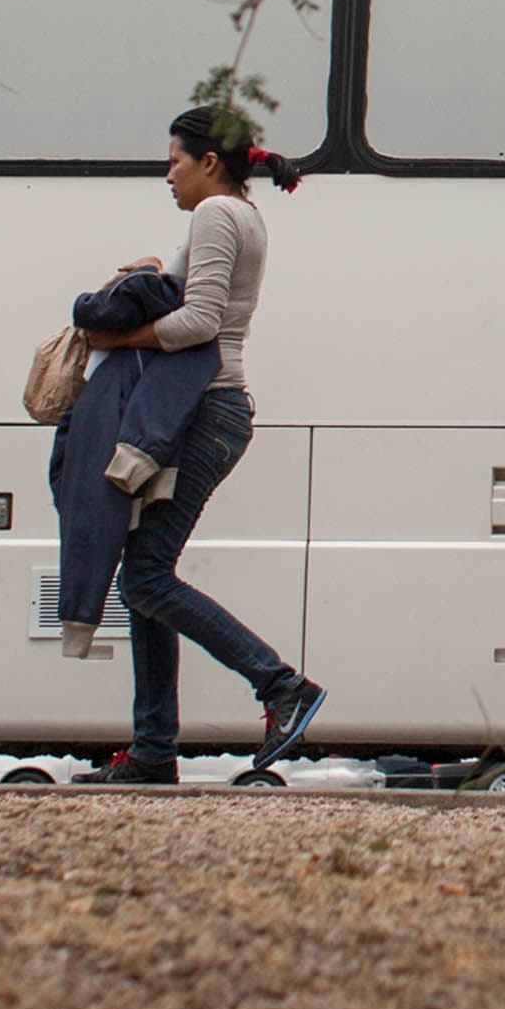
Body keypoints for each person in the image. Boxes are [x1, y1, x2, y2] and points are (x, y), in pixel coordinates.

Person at [88, 106, 326, 786]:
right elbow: (201, 291)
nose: (167, 173)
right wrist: (158, 267)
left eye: (175, 160)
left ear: (209, 162)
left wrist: (113, 338)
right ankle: (153, 749)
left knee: (145, 575)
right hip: (212, 410)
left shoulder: (216, 214)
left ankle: (281, 684)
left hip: (206, 409)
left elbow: (198, 321)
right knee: (144, 578)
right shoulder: (238, 216)